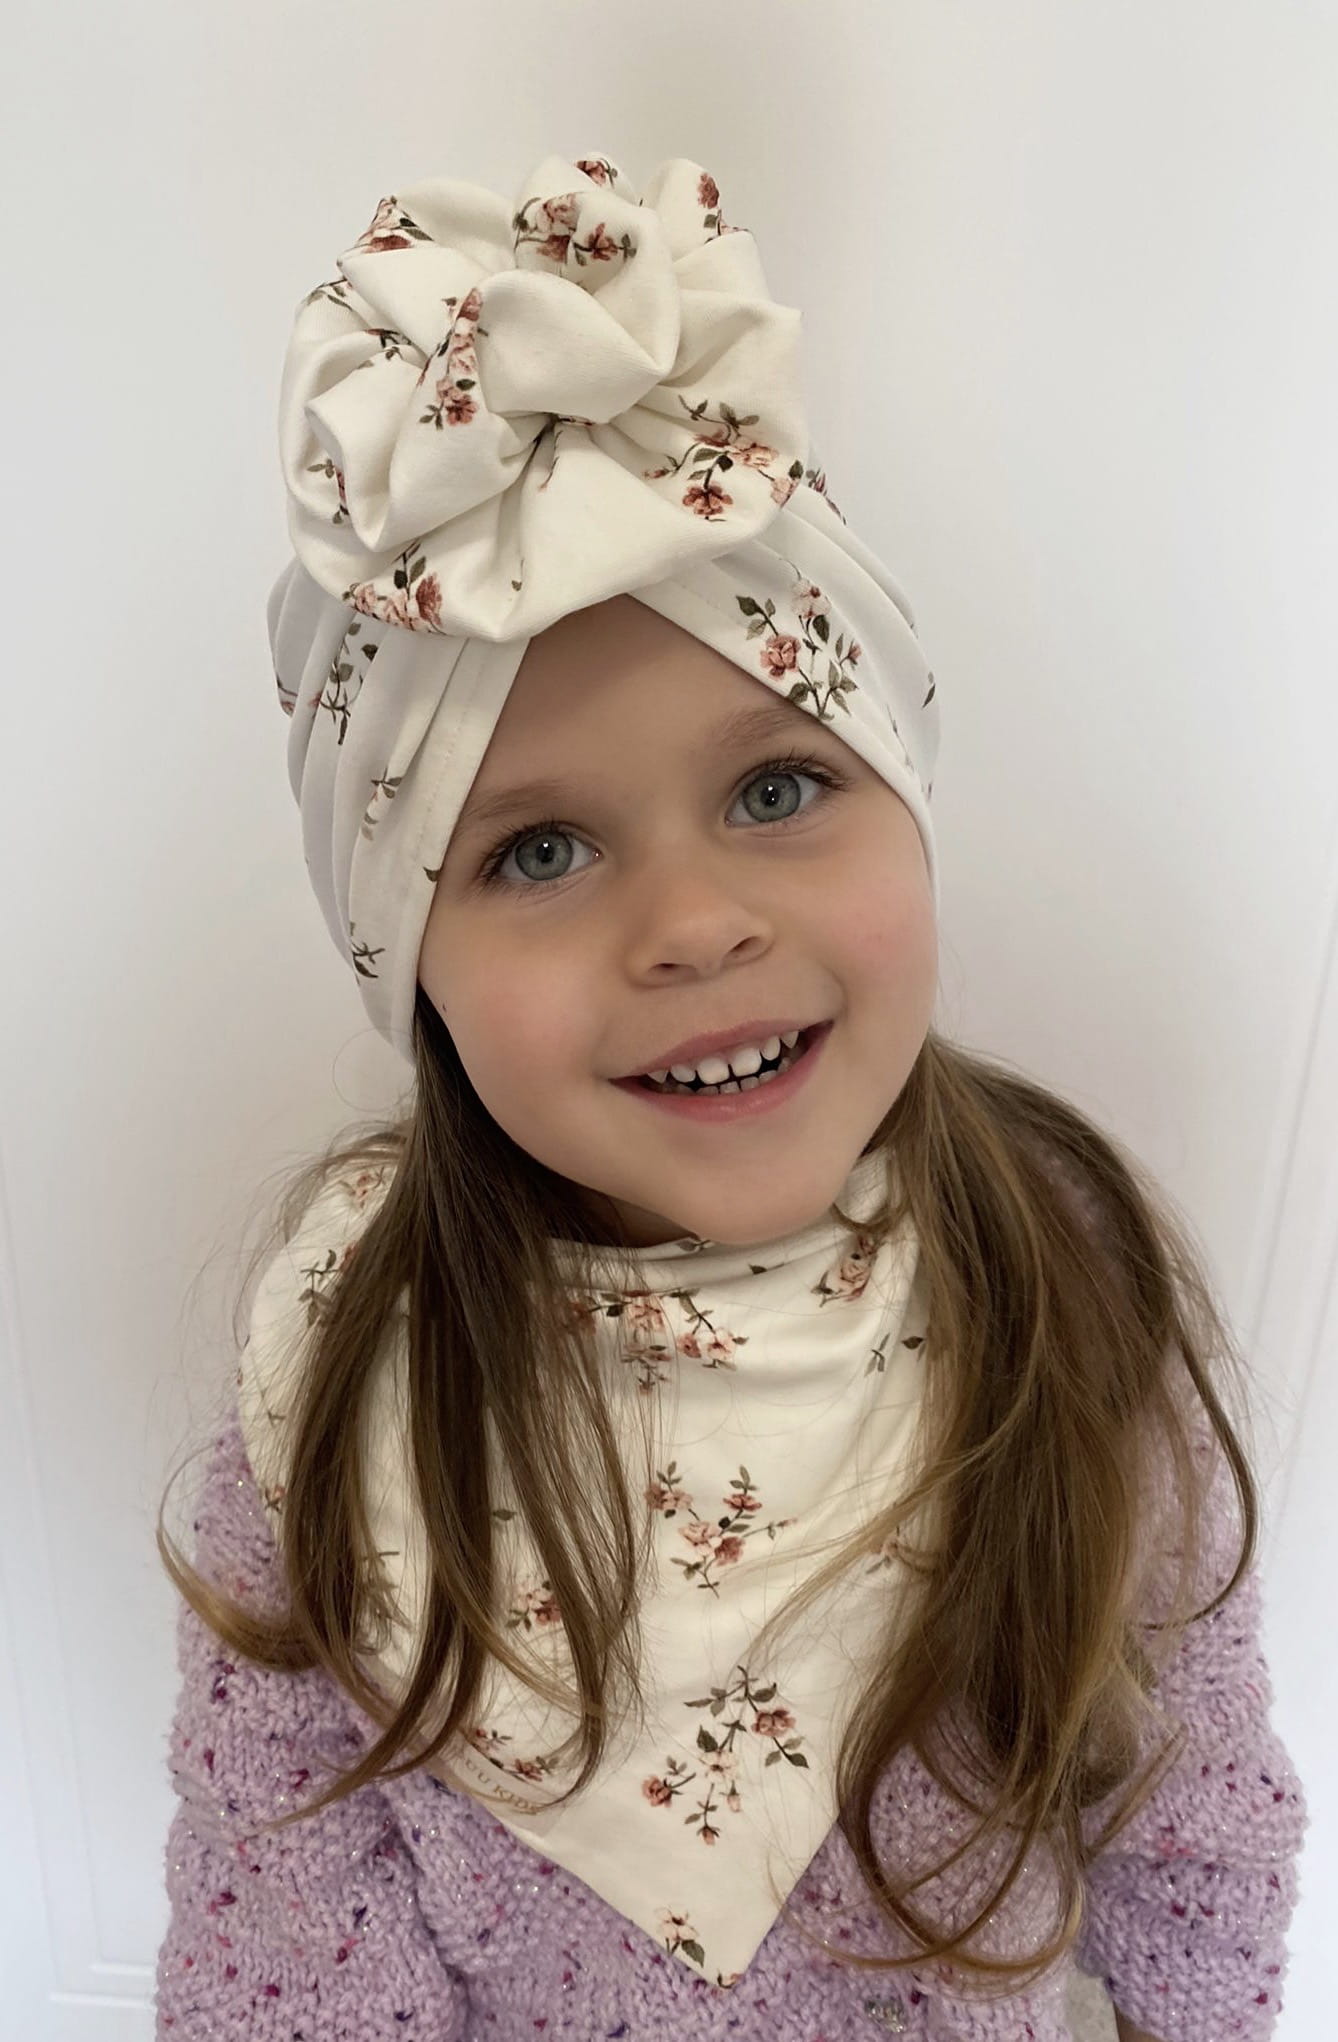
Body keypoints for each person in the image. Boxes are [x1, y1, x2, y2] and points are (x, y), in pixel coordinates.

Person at [151, 150, 1308, 2041]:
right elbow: (276, 1939)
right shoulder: (340, 1380)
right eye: (537, 850)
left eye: (777, 788)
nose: (693, 924)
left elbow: (1196, 1825)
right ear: (406, 961)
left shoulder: (1066, 1286)